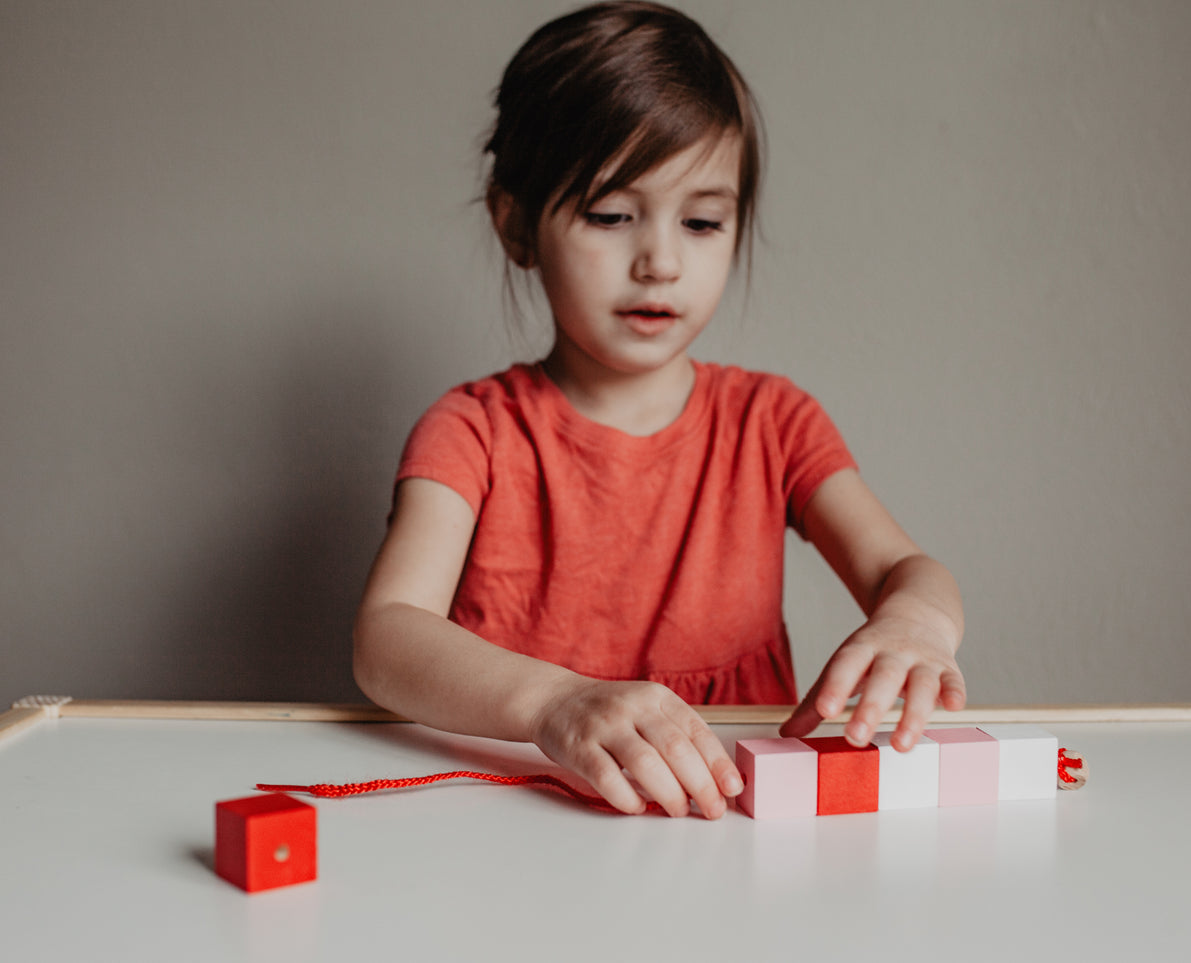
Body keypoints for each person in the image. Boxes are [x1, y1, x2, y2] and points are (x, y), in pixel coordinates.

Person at [353, 1, 965, 820]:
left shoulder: (772, 421)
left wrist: (916, 622)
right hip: (518, 817)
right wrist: (551, 703)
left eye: (703, 221)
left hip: (728, 817)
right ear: (515, 223)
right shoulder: (473, 430)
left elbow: (904, 569)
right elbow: (387, 634)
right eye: (610, 215)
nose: (660, 261)